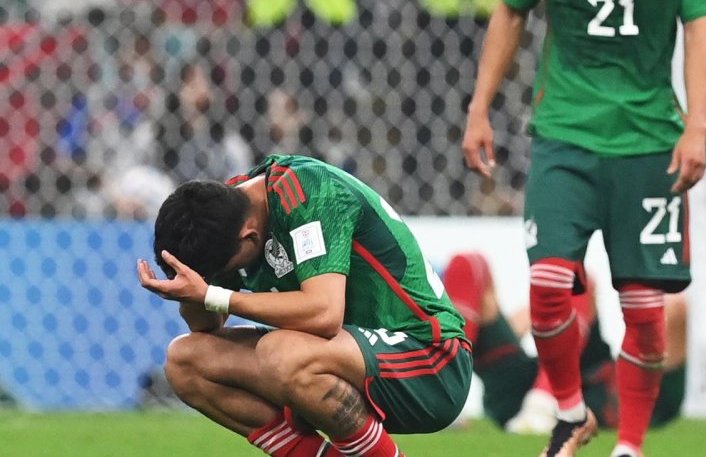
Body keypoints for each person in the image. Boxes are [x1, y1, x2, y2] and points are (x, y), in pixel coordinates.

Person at [461, 0, 706, 457]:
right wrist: (479, 107)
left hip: (650, 142)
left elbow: (699, 24)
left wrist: (697, 125)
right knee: (549, 284)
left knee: (644, 307)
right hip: (565, 133)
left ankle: (629, 446)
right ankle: (570, 412)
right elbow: (510, 10)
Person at [137, 154, 472, 457]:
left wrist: (212, 294)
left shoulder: (310, 193)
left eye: (219, 272)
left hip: (430, 362)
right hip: (341, 359)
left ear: (249, 237)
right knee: (185, 361)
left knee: (281, 353)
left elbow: (324, 314)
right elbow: (206, 327)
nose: (218, 280)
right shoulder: (224, 217)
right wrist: (189, 288)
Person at [440, 252, 687, 434]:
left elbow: (677, 311)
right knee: (467, 264)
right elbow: (675, 313)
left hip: (561, 400)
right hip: (534, 385)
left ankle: (542, 402)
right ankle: (443, 392)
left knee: (576, 280)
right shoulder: (610, 368)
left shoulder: (659, 404)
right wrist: (542, 317)